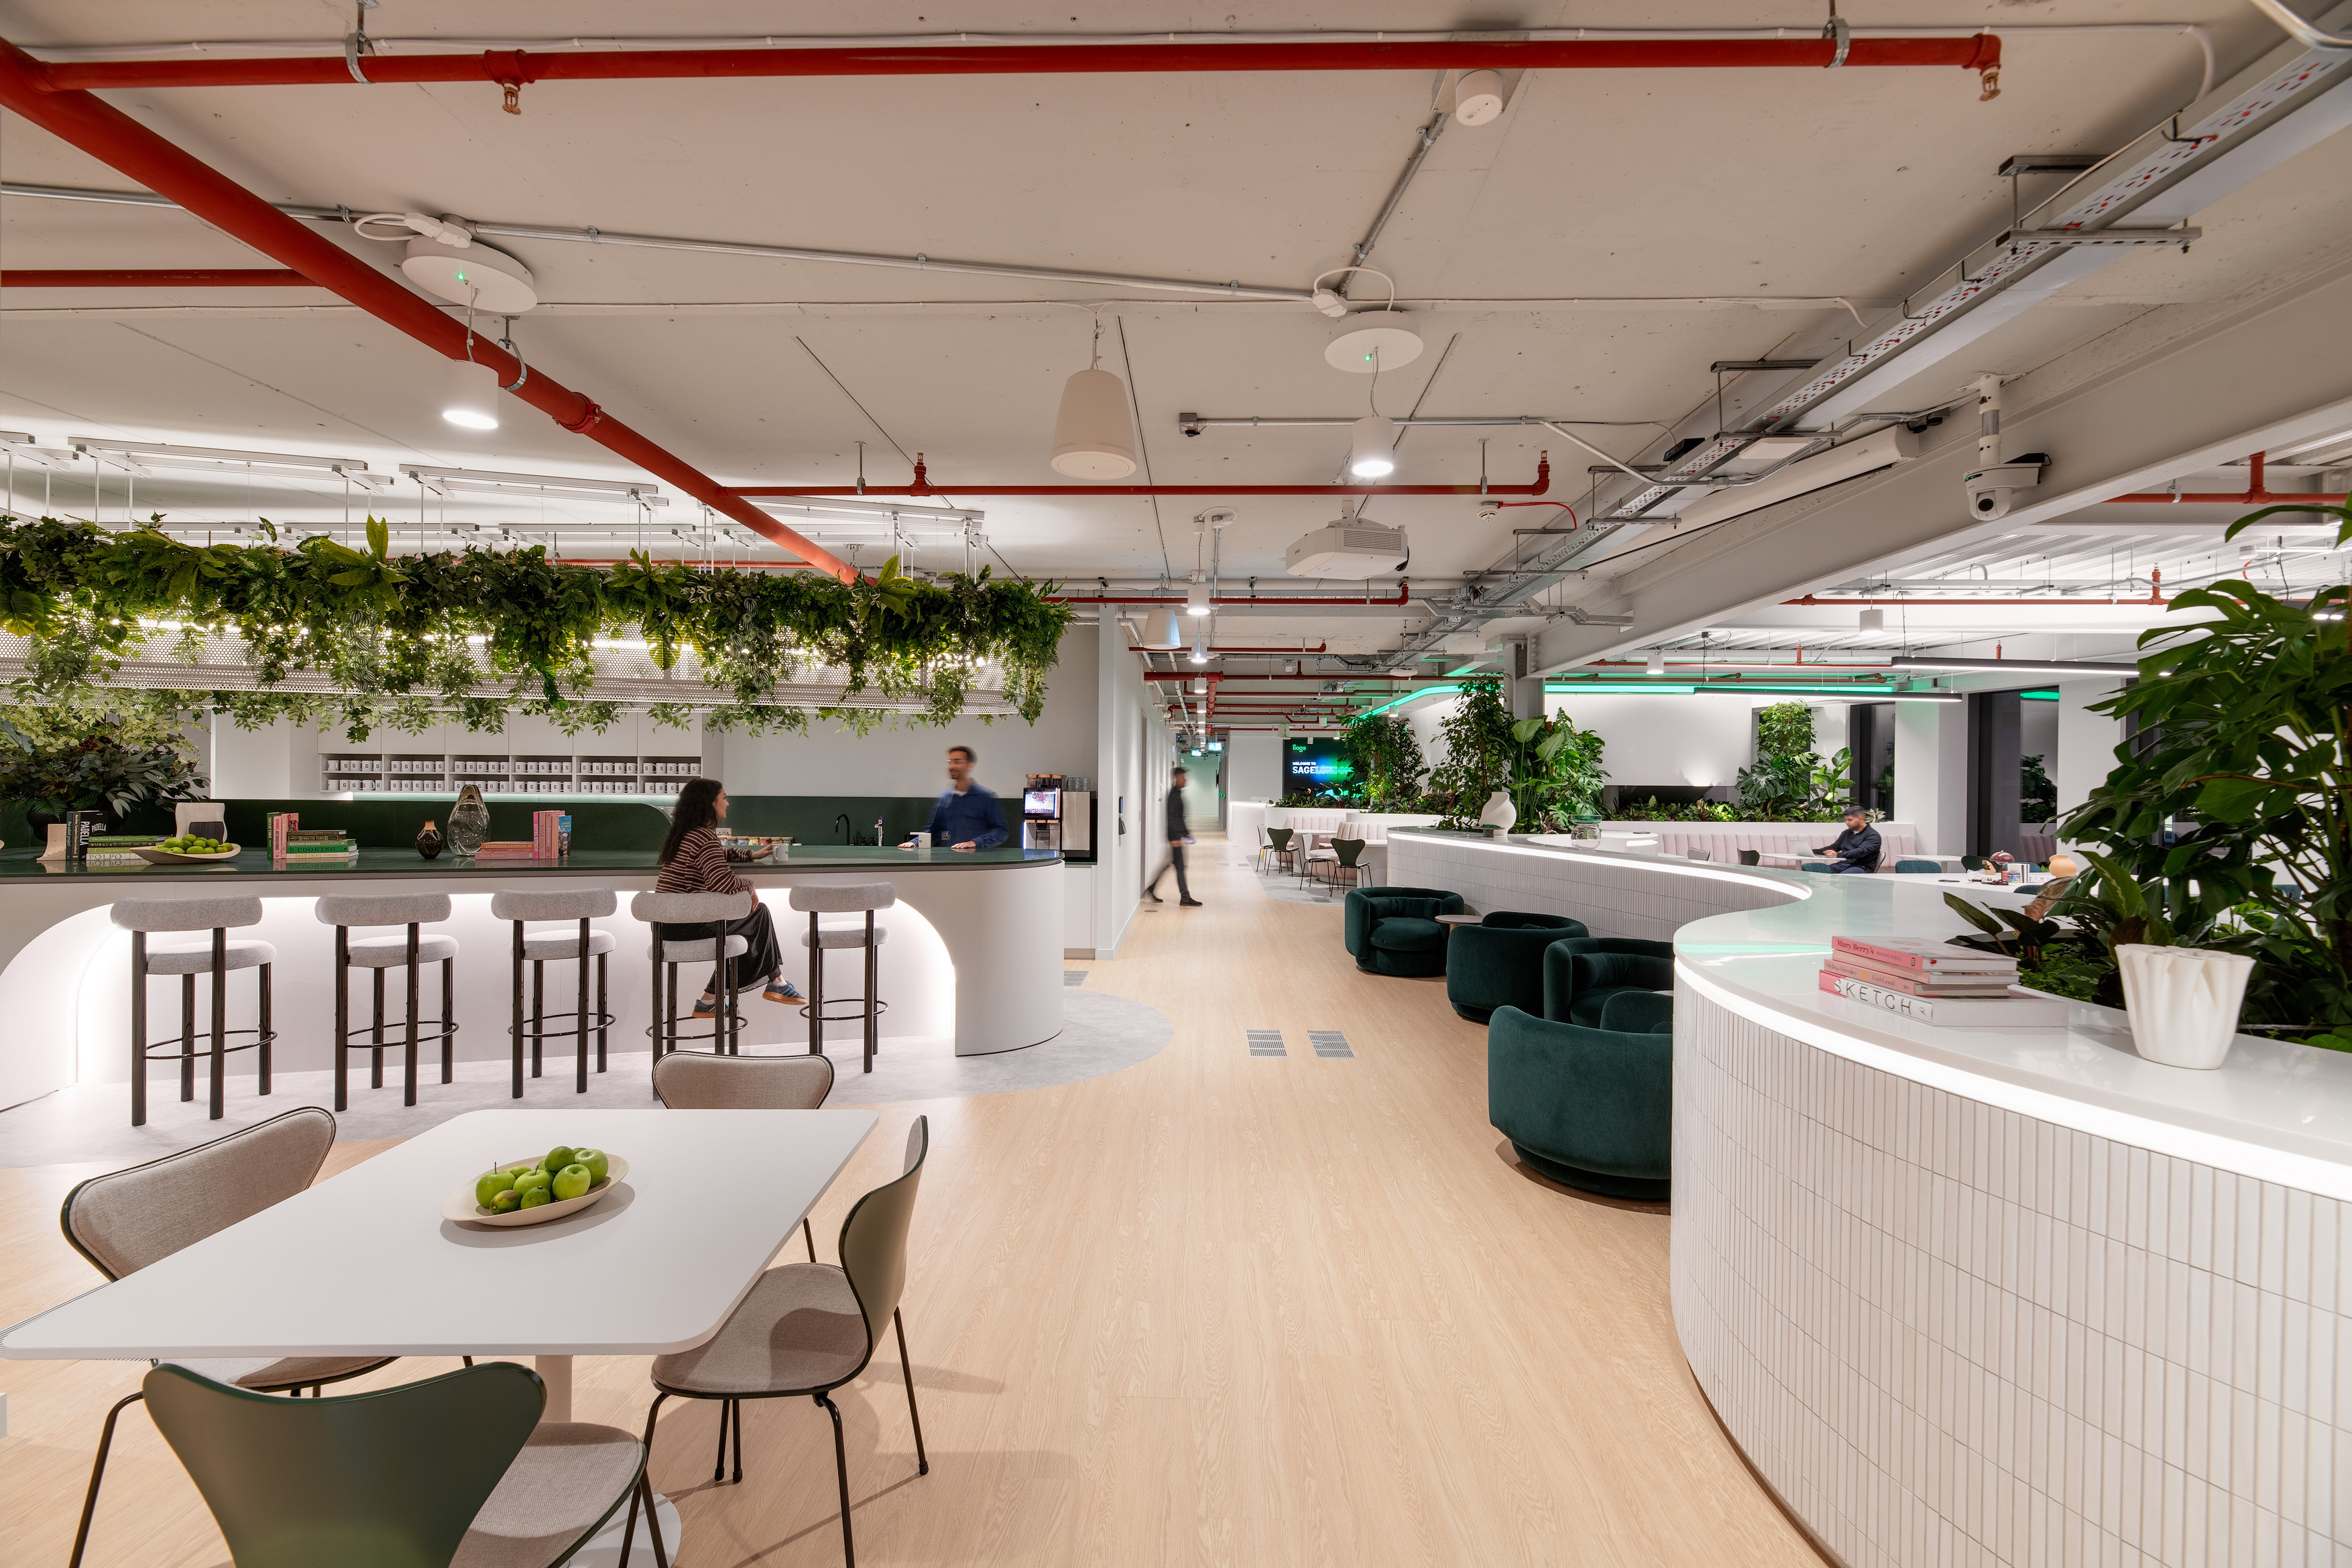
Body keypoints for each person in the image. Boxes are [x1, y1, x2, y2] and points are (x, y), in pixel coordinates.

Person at [656, 778, 799, 1018]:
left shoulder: (687, 835)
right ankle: (774, 982)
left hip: (669, 925)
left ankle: (715, 999)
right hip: (685, 926)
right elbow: (723, 883)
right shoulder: (703, 837)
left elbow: (717, 855)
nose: (728, 803)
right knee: (759, 914)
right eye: (723, 797)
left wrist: (751, 856)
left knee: (746, 927)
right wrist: (750, 886)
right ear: (710, 804)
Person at [904, 743, 1008, 851]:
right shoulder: (945, 798)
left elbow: (1002, 831)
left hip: (978, 863)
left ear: (970, 766)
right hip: (951, 863)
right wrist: (915, 842)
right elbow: (934, 831)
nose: (952, 766)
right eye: (950, 762)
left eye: (957, 762)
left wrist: (976, 842)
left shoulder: (986, 797)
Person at [1147, 766, 1202, 906]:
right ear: (1177, 778)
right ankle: (1185, 897)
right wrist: (1175, 837)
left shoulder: (1176, 793)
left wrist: (1186, 833)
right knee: (1180, 866)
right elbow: (1172, 818)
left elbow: (1178, 818)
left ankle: (1152, 888)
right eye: (1183, 777)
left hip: (1177, 835)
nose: (1185, 780)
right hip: (1175, 837)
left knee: (1171, 864)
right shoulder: (1173, 795)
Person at [1813, 808, 1883, 875]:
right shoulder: (1846, 833)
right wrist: (1811, 852)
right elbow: (1834, 848)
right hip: (1842, 866)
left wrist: (1838, 855)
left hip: (1861, 868)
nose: (1846, 822)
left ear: (1860, 819)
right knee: (1808, 868)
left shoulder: (1873, 836)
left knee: (1843, 877)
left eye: (1850, 820)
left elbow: (1861, 851)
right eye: (1846, 820)